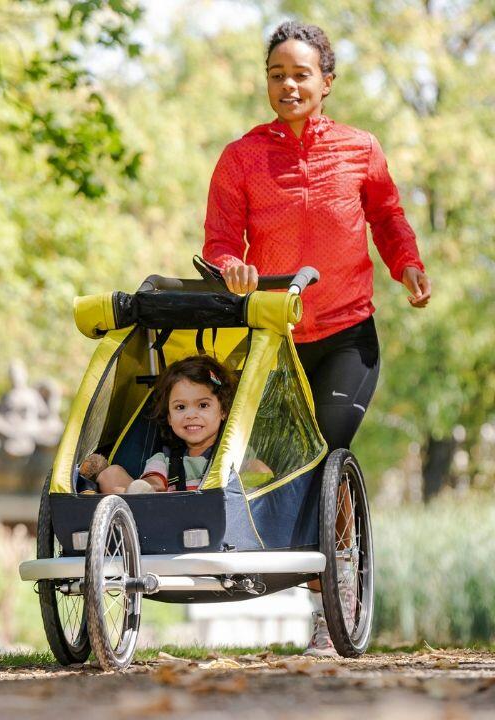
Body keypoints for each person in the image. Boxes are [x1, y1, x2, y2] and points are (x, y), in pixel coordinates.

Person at [202, 21, 431, 656]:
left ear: (326, 83)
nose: (288, 84)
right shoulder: (242, 157)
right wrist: (231, 268)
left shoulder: (360, 148)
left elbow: (386, 216)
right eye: (277, 74)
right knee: (280, 462)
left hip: (346, 336)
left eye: (301, 74)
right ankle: (305, 569)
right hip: (273, 343)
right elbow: (220, 241)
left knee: (327, 453)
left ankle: (334, 604)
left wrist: (406, 263)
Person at [91, 356, 240, 495]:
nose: (190, 415)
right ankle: (140, 501)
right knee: (110, 474)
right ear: (169, 417)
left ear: (224, 410)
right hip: (164, 515)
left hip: (216, 516)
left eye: (203, 405)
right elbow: (154, 480)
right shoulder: (165, 458)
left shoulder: (234, 456)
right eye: (180, 407)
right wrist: (148, 487)